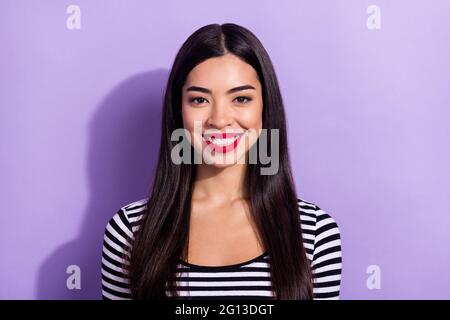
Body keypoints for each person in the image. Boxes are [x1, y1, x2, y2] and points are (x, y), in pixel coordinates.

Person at [100, 23, 342, 300]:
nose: (219, 119)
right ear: (179, 111)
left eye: (241, 98)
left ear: (265, 107)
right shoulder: (130, 230)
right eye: (200, 100)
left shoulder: (313, 232)